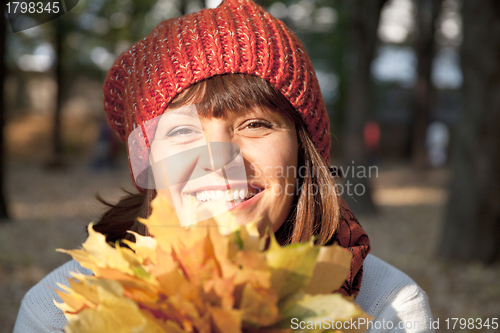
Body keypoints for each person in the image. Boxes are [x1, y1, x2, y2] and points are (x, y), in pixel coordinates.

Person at [13, 0, 433, 332]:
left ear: (305, 153)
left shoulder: (385, 307)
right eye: (181, 132)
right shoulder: (63, 312)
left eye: (255, 124)